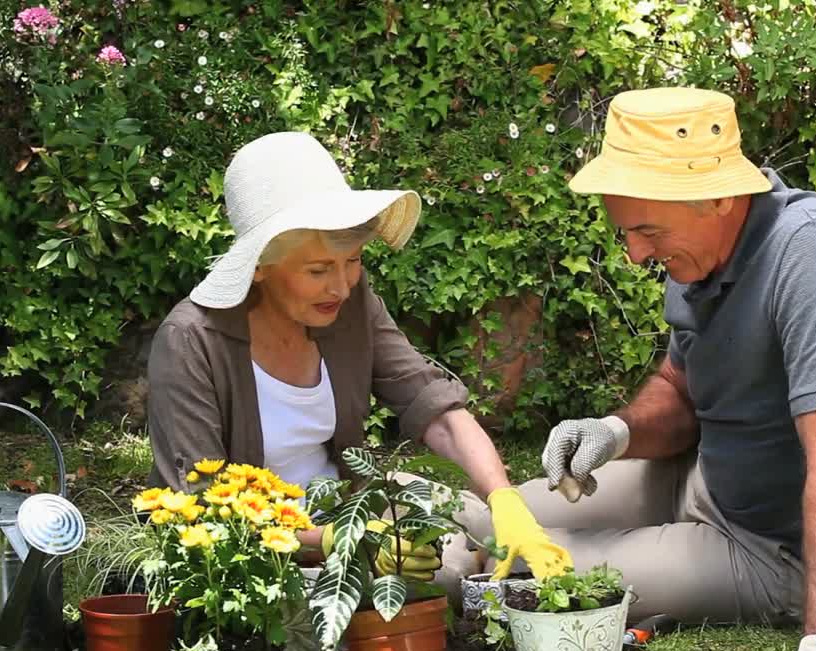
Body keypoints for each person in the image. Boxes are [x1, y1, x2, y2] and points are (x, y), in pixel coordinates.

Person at [450, 87, 816, 651]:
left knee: (521, 575)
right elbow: (680, 385)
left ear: (719, 197)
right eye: (628, 231)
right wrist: (614, 431)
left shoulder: (815, 258)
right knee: (493, 518)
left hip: (772, 549)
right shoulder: (700, 247)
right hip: (699, 481)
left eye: (646, 230)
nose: (637, 253)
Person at [145, 130, 573, 592]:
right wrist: (340, 541)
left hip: (349, 505)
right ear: (260, 268)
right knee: (442, 572)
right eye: (318, 270)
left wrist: (503, 496)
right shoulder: (191, 341)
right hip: (267, 548)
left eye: (353, 261)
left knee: (484, 519)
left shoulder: (347, 307)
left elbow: (434, 406)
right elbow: (203, 508)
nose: (342, 286)